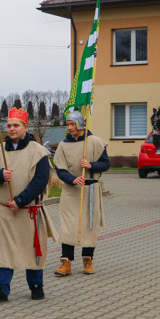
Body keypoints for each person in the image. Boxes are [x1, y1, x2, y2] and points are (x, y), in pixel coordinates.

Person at [0, 108, 56, 303]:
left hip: (28, 211)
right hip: (3, 211)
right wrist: (0, 175)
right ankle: (1, 289)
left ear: (25, 127)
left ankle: (35, 285)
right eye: (8, 125)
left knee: (32, 249)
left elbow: (40, 181)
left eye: (16, 125)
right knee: (3, 250)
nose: (11, 129)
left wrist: (20, 200)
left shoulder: (38, 152)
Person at [53, 110, 109, 276]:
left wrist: (91, 165)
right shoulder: (63, 145)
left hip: (91, 190)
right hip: (71, 191)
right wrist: (72, 179)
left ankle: (88, 259)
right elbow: (60, 170)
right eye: (68, 124)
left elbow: (106, 164)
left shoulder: (95, 142)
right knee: (68, 226)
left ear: (81, 124)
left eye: (72, 124)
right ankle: (66, 261)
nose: (69, 127)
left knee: (89, 225)